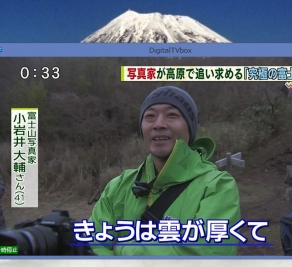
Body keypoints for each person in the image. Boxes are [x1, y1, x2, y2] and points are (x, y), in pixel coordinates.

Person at [88, 86, 241, 256]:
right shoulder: (117, 187)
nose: (159, 124)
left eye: (172, 115)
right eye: (150, 116)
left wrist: (120, 248)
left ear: (190, 127)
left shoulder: (218, 186)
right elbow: (92, 245)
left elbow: (205, 252)